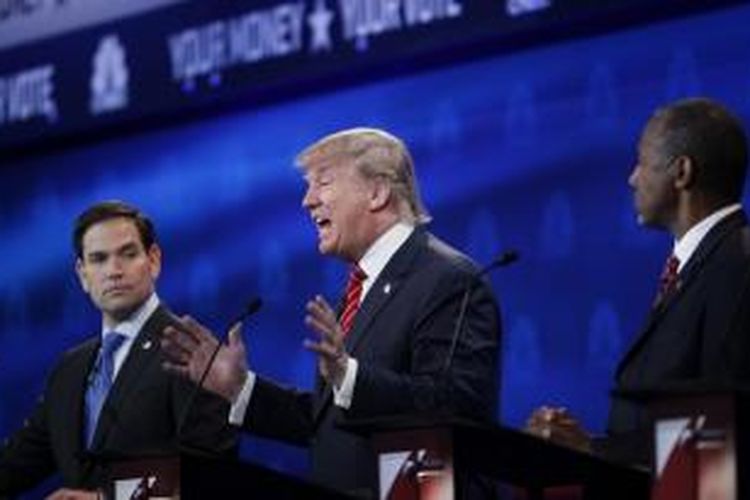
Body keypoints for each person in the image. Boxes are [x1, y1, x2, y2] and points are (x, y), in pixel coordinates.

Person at [162, 127, 501, 496]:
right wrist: (241, 388)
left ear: (377, 192)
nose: (307, 201)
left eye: (323, 183)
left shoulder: (448, 278)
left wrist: (350, 375)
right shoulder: (363, 285)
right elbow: (328, 421)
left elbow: (457, 405)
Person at [527, 97, 750, 466]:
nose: (632, 178)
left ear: (681, 172)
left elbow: (721, 428)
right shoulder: (694, 265)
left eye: (643, 162)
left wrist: (593, 451)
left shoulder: (738, 264)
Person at [0, 201, 237, 499]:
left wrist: (106, 499)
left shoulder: (191, 353)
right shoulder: (69, 368)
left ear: (153, 260)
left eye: (127, 254)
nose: (113, 271)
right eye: (98, 259)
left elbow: (213, 478)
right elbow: (15, 465)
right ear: (82, 274)